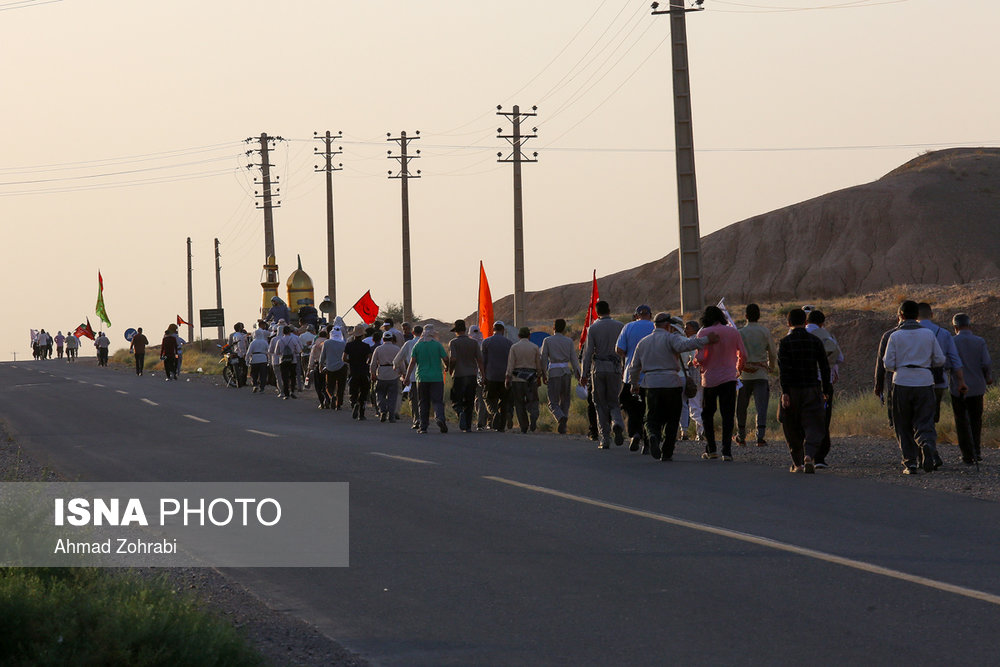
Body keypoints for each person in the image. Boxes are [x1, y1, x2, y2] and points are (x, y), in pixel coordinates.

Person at [628, 312, 716, 461]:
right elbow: (686, 345)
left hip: (651, 384)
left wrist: (634, 384)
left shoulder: (643, 342)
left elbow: (634, 367)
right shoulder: (671, 338)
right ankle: (667, 451)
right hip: (671, 383)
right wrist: (707, 339)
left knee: (651, 418)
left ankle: (653, 435)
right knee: (672, 417)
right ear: (668, 325)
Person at [883, 300, 946, 475]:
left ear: (901, 315)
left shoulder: (895, 336)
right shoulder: (928, 334)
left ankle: (909, 463)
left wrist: (900, 367)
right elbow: (940, 360)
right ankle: (926, 443)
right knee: (924, 419)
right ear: (917, 315)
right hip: (925, 381)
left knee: (902, 423)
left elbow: (888, 363)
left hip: (902, 381)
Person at [777, 309, 832, 474]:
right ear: (805, 322)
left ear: (788, 323)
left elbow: (783, 370)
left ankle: (798, 463)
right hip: (812, 388)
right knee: (814, 423)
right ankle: (809, 455)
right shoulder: (815, 341)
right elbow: (824, 366)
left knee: (791, 425)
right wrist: (826, 389)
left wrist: (785, 392)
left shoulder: (785, 342)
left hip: (792, 390)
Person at [694, 306, 746, 461]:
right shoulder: (733, 332)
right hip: (729, 378)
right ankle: (727, 451)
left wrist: (694, 362)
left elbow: (701, 358)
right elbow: (743, 354)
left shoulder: (703, 333)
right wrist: (738, 369)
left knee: (707, 414)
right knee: (728, 414)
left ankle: (711, 449)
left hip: (710, 379)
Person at [582, 301, 626, 449]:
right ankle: (618, 423)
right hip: (615, 368)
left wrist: (584, 373)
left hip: (599, 369)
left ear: (597, 312)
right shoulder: (620, 326)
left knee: (599, 403)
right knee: (614, 401)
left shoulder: (593, 328)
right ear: (609, 310)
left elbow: (588, 353)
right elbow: (623, 350)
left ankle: (605, 438)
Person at [950, 313, 992, 464]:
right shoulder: (979, 341)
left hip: (958, 388)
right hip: (977, 387)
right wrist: (988, 377)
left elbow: (948, 364)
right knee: (976, 420)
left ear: (955, 327)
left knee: (961, 421)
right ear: (970, 325)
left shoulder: (952, 341)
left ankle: (967, 454)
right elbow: (986, 363)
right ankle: (977, 451)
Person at [805, 309, 843, 468]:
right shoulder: (828, 336)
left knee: (804, 418)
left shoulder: (796, 334)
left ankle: (805, 454)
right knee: (823, 418)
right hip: (823, 384)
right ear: (822, 323)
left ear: (807, 322)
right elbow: (840, 358)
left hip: (803, 383)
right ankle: (820, 457)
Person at [616, 305, 656, 450]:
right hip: (652, 376)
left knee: (629, 405)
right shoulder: (655, 327)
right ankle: (648, 439)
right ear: (650, 315)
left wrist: (628, 354)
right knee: (649, 409)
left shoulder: (628, 327)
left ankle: (635, 433)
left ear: (636, 315)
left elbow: (619, 349)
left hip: (631, 376)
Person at [736, 304, 775, 447]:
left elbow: (737, 354)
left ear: (745, 316)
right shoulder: (765, 331)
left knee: (741, 407)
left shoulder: (740, 332)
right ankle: (760, 437)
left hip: (744, 375)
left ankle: (741, 436)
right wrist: (771, 367)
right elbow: (772, 353)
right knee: (761, 406)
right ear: (759, 316)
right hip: (761, 373)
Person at [405, 324, 450, 434]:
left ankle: (423, 426)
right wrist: (446, 366)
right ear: (433, 333)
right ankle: (440, 418)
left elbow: (412, 363)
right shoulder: (437, 345)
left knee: (423, 402)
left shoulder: (417, 346)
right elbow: (445, 358)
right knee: (438, 401)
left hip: (421, 378)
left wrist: (407, 377)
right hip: (436, 378)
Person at [540, 319, 582, 434]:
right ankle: (563, 422)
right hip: (566, 373)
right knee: (565, 399)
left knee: (552, 401)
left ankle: (560, 417)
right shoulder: (568, 341)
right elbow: (574, 359)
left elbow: (543, 359)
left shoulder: (547, 340)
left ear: (554, 328)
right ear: (564, 329)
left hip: (554, 373)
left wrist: (543, 373)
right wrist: (579, 375)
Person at [448, 320, 485, 432]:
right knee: (469, 400)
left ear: (456, 331)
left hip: (459, 374)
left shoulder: (453, 343)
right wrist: (483, 375)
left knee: (456, 399)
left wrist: (450, 369)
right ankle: (468, 426)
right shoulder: (473, 343)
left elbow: (453, 358)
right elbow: (479, 360)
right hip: (472, 375)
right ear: (464, 330)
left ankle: (460, 413)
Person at [506, 327, 543, 433]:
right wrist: (539, 376)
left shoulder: (514, 347)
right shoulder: (535, 347)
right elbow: (538, 365)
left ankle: (524, 426)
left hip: (517, 379)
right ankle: (534, 416)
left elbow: (510, 364)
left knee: (519, 403)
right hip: (532, 379)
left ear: (519, 336)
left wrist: (508, 377)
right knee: (534, 401)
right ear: (529, 335)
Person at [482, 321, 514, 432]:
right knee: (504, 401)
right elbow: (511, 362)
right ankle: (501, 426)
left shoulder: (486, 342)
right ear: (503, 330)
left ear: (493, 329)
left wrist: (483, 375)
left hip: (491, 376)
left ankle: (494, 413)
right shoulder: (509, 343)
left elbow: (483, 361)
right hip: (504, 377)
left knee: (488, 398)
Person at [394, 324, 423, 428]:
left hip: (413, 376)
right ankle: (424, 419)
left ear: (413, 333)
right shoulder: (429, 343)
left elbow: (398, 358)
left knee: (414, 399)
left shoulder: (409, 343)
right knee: (424, 399)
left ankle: (417, 419)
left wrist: (395, 366)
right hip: (426, 377)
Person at [679, 320, 704, 442]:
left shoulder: (691, 342)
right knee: (700, 406)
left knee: (693, 408)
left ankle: (704, 426)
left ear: (694, 329)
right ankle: (700, 433)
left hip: (694, 378)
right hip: (703, 377)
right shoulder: (701, 340)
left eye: (687, 328)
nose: (685, 330)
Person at [371, 331, 401, 421]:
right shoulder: (397, 349)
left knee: (380, 394)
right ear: (392, 339)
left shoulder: (378, 349)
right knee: (392, 396)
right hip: (393, 373)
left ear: (383, 339)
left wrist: (372, 374)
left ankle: (382, 411)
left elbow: (373, 363)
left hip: (381, 374)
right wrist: (403, 372)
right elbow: (401, 362)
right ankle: (391, 415)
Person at [344, 326, 373, 419]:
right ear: (362, 336)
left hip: (353, 371)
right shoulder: (366, 346)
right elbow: (370, 358)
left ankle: (354, 403)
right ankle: (361, 414)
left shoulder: (349, 345)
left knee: (353, 391)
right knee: (364, 392)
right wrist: (366, 363)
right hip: (364, 372)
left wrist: (351, 362)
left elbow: (343, 358)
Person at [322, 325, 349, 410]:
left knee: (329, 386)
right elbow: (346, 357)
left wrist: (320, 365)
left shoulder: (326, 343)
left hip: (330, 367)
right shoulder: (344, 343)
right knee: (341, 386)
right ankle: (339, 404)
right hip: (342, 367)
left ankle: (332, 396)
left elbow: (323, 356)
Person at [469, 324, 489, 430]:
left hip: (471, 375)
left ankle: (479, 422)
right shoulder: (484, 343)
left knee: (477, 399)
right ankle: (483, 421)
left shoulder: (469, 344)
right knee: (482, 398)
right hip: (483, 374)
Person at [275, 326, 302, 399]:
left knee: (284, 377)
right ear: (290, 332)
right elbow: (299, 350)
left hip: (283, 361)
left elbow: (276, 352)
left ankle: (286, 393)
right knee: (293, 376)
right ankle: (292, 391)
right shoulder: (293, 339)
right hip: (293, 360)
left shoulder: (280, 341)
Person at [309, 328, 330, 407]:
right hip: (328, 365)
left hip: (317, 366)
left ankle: (322, 401)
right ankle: (327, 398)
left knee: (318, 385)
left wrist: (309, 368)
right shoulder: (328, 344)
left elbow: (311, 357)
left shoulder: (315, 345)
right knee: (327, 384)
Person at [246, 329, 271, 393]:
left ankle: (255, 385)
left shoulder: (253, 342)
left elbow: (248, 352)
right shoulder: (264, 342)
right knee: (263, 374)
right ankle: (262, 387)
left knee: (254, 374)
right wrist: (269, 360)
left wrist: (247, 360)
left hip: (254, 359)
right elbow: (269, 351)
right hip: (263, 359)